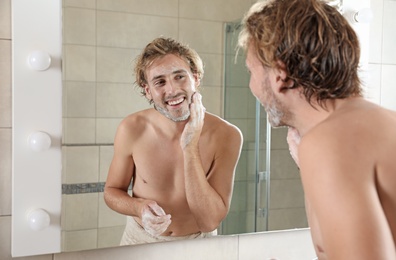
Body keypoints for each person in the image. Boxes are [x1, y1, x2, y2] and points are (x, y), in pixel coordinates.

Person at [238, 0, 396, 259]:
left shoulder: (330, 143)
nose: (251, 85)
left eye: (251, 71)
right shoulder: (375, 123)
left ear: (281, 74)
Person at [104, 37, 243, 245]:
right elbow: (111, 191)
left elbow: (209, 222)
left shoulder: (227, 135)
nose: (172, 90)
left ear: (195, 78)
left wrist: (190, 146)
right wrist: (138, 208)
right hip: (139, 239)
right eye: (160, 82)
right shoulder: (132, 129)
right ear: (147, 90)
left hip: (198, 242)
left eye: (180, 77)